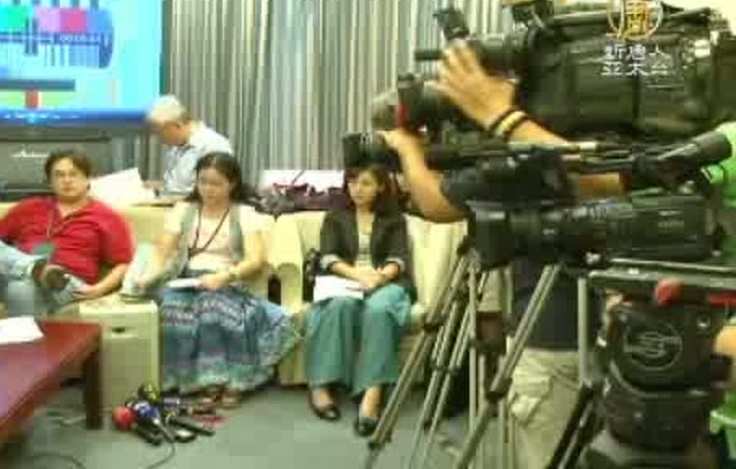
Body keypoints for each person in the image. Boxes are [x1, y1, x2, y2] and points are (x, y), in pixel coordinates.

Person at [379, 40, 623, 469]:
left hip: (553, 338)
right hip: (634, 338)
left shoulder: (524, 153)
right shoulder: (604, 134)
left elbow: (434, 203)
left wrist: (408, 149)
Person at [132, 152, 299, 407]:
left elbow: (255, 259)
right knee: (170, 309)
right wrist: (149, 276)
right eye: (203, 182)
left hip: (228, 280)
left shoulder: (244, 214)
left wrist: (225, 276)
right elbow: (162, 251)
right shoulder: (184, 210)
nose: (208, 189)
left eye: (216, 183)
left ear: (232, 183)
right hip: (186, 279)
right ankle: (200, 381)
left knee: (212, 308)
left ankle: (234, 381)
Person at [0, 150, 134, 317]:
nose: (67, 180)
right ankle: (31, 268)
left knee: (21, 287)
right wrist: (21, 265)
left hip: (63, 283)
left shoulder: (106, 217)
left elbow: (123, 263)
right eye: (59, 175)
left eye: (73, 174)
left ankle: (26, 338)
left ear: (88, 180)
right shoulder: (29, 207)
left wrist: (100, 288)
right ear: (49, 182)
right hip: (8, 278)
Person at [305, 163, 413, 437]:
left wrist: (378, 278)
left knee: (378, 310)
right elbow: (328, 257)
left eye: (365, 183)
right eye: (352, 182)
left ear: (381, 186)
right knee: (339, 306)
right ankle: (321, 384)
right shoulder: (336, 216)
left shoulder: (395, 219)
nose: (357, 189)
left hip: (385, 281)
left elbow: (398, 258)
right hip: (345, 279)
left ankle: (372, 393)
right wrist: (358, 275)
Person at [146, 94, 234, 197]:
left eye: (160, 132)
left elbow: (216, 193)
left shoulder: (214, 146)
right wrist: (151, 186)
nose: (160, 139)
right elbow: (177, 187)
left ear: (176, 125)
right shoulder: (177, 147)